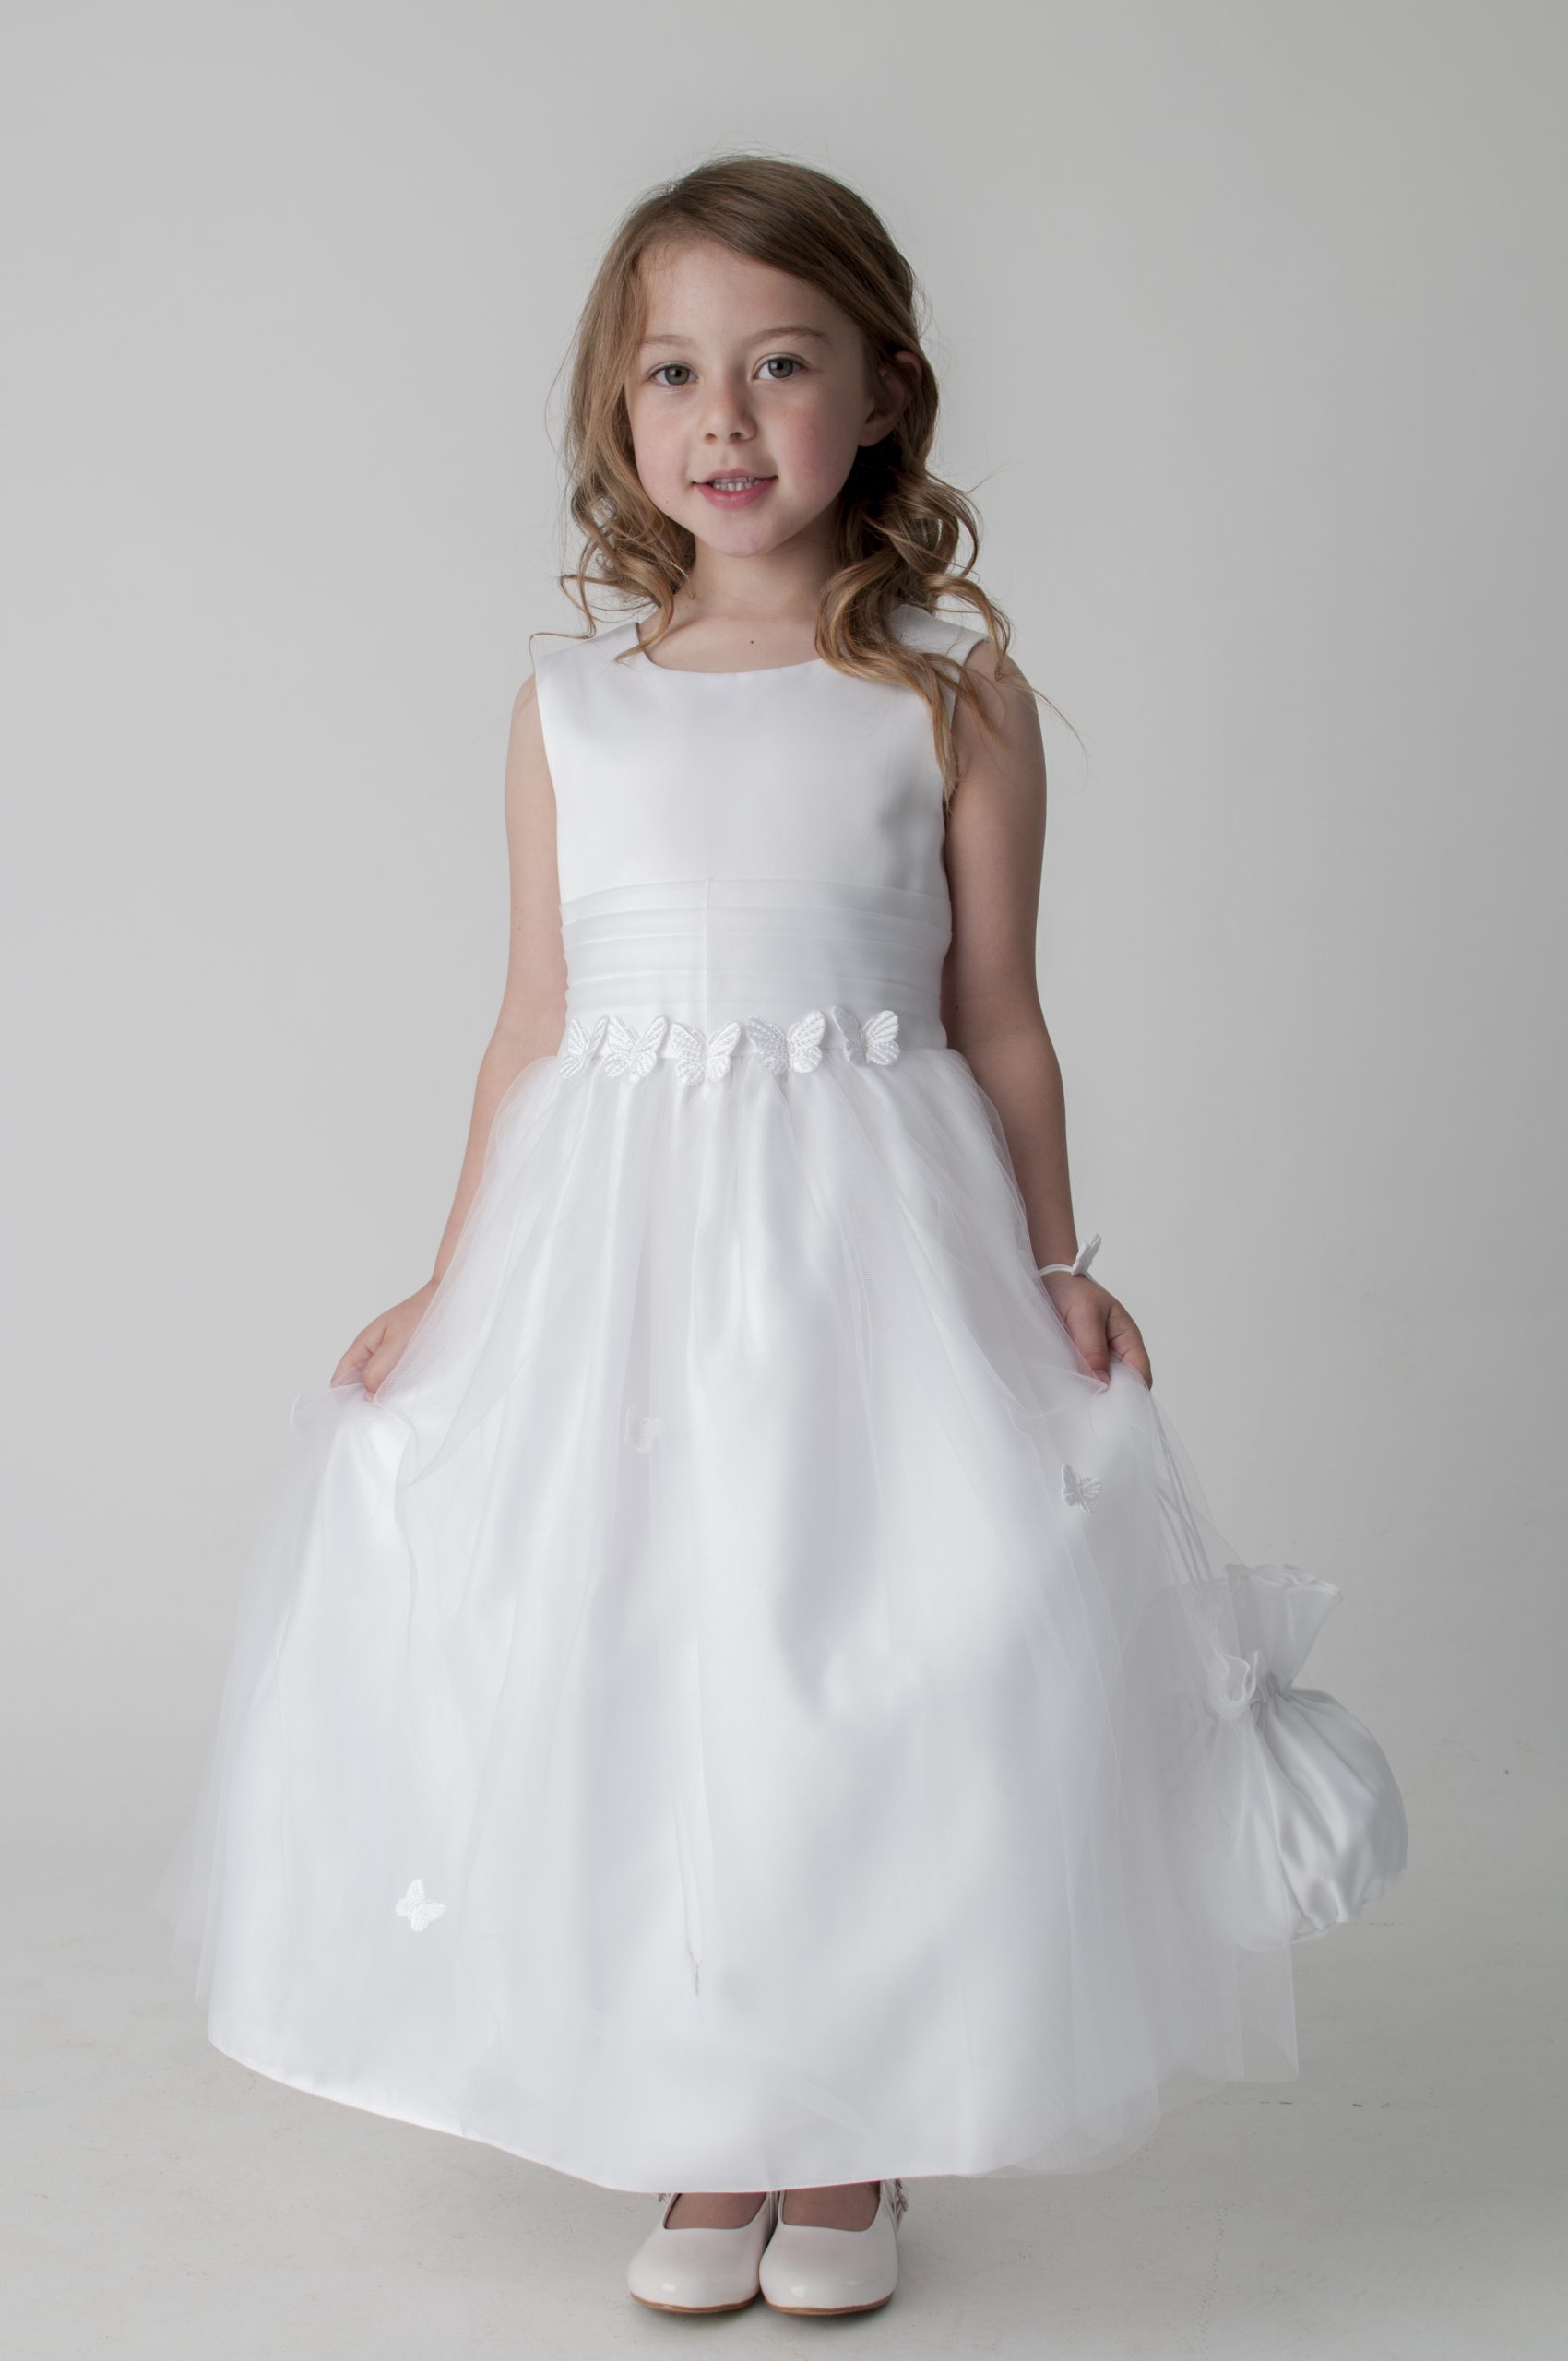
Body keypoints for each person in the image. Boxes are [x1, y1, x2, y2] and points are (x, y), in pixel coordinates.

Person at [153, 154, 1397, 2321]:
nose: (723, 417)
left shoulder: (944, 699)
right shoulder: (570, 710)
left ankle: (849, 2134)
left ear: (883, 394)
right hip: (617, 1258)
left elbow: (1000, 1019)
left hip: (866, 1250)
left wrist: (1052, 1263)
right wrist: (455, 1283)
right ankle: (703, 2112)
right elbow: (532, 1023)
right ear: (618, 410)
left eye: (781, 364)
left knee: (865, 1658)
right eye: (673, 373)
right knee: (653, 1652)